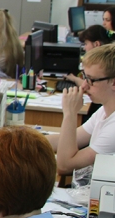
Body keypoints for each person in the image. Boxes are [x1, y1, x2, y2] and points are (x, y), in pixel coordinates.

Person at [47, 43, 115, 175]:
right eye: (84, 77)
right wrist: (23, 141)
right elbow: (68, 139)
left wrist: (70, 113)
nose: (83, 86)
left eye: (91, 80)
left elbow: (65, 166)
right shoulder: (104, 110)